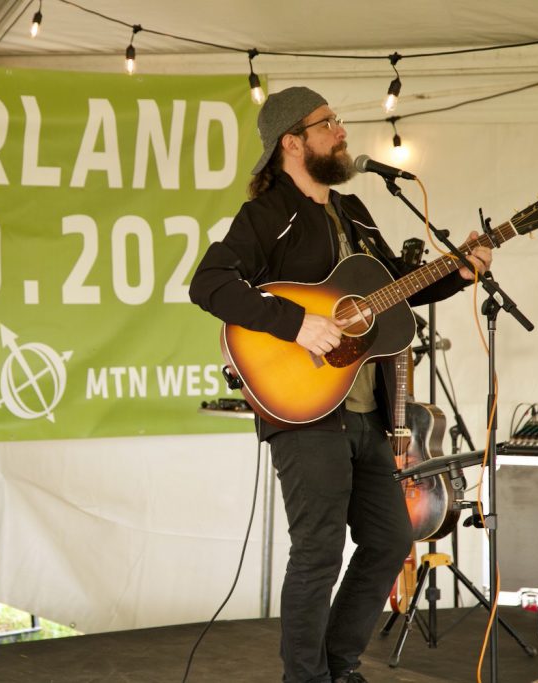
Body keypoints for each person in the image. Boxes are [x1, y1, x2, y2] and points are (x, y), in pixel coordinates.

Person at [188, 86, 491, 683]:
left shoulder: (352, 212)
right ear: (291, 143)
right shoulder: (267, 216)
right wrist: (297, 324)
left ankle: (338, 666)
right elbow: (209, 284)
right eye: (328, 123)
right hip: (303, 414)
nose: (342, 131)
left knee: (388, 538)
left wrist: (457, 272)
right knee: (319, 552)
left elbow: (395, 293)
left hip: (363, 411)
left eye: (339, 122)